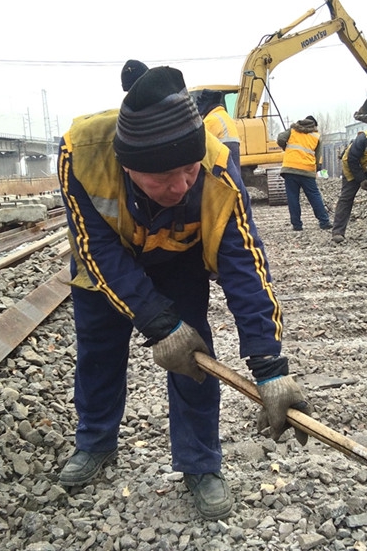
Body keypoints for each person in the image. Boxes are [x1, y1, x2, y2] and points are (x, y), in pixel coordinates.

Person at [56, 66, 310, 521]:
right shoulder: (82, 153)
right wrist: (157, 323)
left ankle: (201, 464)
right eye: (162, 178)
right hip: (106, 263)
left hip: (178, 258)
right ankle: (95, 441)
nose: (180, 187)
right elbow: (94, 247)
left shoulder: (217, 167)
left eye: (188, 172)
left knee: (195, 361)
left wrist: (270, 366)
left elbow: (245, 267)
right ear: (128, 166)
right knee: (98, 353)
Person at [276, 115, 332, 231]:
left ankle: (297, 225)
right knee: (314, 196)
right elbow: (318, 156)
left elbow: (280, 139)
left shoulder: (293, 130)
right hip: (307, 170)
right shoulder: (316, 136)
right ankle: (324, 221)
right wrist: (316, 168)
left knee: (293, 197)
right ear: (314, 125)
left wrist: (285, 148)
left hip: (290, 168)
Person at [196, 89, 241, 171]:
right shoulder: (224, 115)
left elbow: (199, 144)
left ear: (206, 106)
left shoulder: (211, 119)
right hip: (232, 153)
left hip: (222, 157)